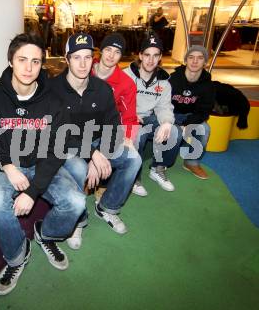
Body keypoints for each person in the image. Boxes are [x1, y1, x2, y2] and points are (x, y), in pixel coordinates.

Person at [0, 33, 86, 296]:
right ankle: (18, 255)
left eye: (36, 62)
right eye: (22, 60)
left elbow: (57, 150)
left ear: (42, 65)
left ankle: (46, 234)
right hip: (8, 166)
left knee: (77, 202)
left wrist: (33, 191)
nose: (29, 68)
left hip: (42, 166)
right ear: (10, 61)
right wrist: (7, 165)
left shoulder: (54, 101)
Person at [49, 33, 141, 246]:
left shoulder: (101, 89)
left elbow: (113, 124)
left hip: (98, 144)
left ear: (93, 59)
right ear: (66, 58)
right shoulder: (52, 90)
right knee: (80, 168)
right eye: (77, 57)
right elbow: (57, 135)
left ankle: (107, 208)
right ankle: (78, 221)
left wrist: (102, 153)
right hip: (68, 146)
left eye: (87, 57)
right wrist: (91, 156)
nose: (82, 64)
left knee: (133, 159)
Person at [124, 34, 182, 196]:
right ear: (140, 56)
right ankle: (134, 177)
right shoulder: (126, 75)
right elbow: (115, 102)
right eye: (147, 55)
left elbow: (164, 107)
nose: (150, 60)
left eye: (155, 55)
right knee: (138, 135)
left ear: (160, 58)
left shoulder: (164, 81)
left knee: (175, 131)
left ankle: (158, 168)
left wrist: (166, 123)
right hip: (128, 118)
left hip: (149, 117)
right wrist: (131, 114)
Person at [169, 45, 215, 179]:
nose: (195, 61)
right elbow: (162, 103)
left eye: (200, 58)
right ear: (185, 60)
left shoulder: (208, 85)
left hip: (191, 116)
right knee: (170, 131)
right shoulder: (173, 78)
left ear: (205, 62)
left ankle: (191, 162)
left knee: (204, 129)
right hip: (171, 113)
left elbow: (205, 111)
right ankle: (160, 162)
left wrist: (187, 124)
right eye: (191, 57)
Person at [91, 33, 140, 146]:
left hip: (108, 132)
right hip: (79, 130)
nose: (111, 55)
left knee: (133, 160)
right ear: (101, 50)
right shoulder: (84, 70)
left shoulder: (126, 83)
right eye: (108, 49)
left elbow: (129, 117)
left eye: (117, 52)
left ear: (121, 56)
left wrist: (128, 138)